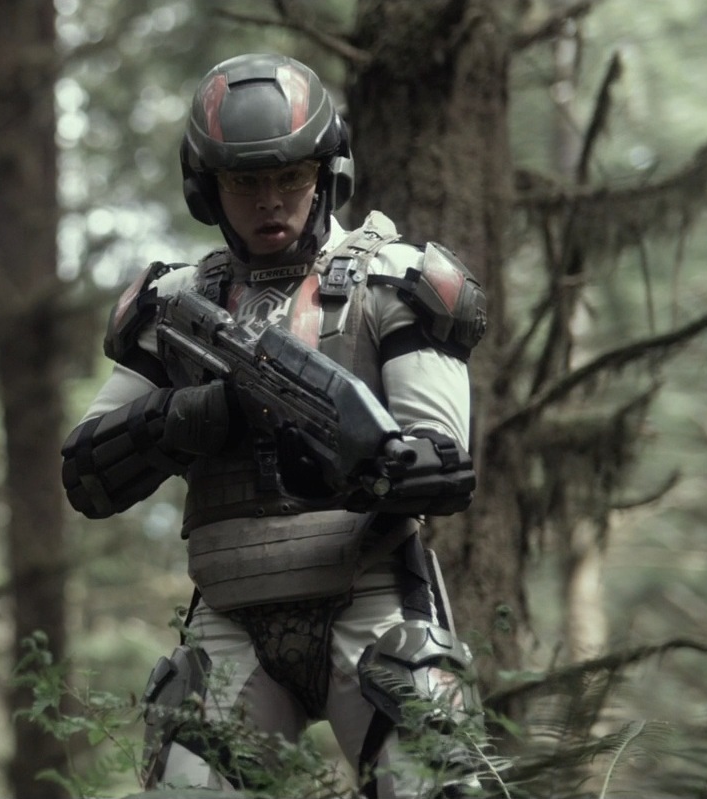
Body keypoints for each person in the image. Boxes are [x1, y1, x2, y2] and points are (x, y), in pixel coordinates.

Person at [59, 54, 488, 797]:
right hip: (229, 619)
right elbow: (86, 472)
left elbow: (443, 467)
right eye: (244, 182)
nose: (270, 200)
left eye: (290, 176)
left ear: (326, 173)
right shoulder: (179, 304)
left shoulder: (397, 280)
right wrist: (185, 416)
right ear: (207, 188)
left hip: (371, 602)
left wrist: (357, 462)